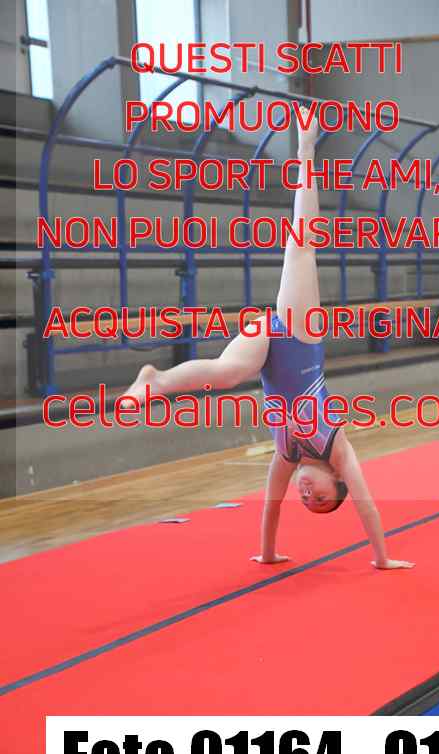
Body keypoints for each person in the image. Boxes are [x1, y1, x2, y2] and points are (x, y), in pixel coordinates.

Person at [125, 107, 413, 571]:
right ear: (336, 477)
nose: (308, 495)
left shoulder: (285, 455)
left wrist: (269, 552)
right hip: (299, 335)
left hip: (265, 350)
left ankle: (155, 380)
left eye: (308, 502)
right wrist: (382, 559)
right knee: (303, 245)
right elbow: (367, 507)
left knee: (226, 374)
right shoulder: (338, 448)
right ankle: (305, 150)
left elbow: (271, 507)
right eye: (321, 497)